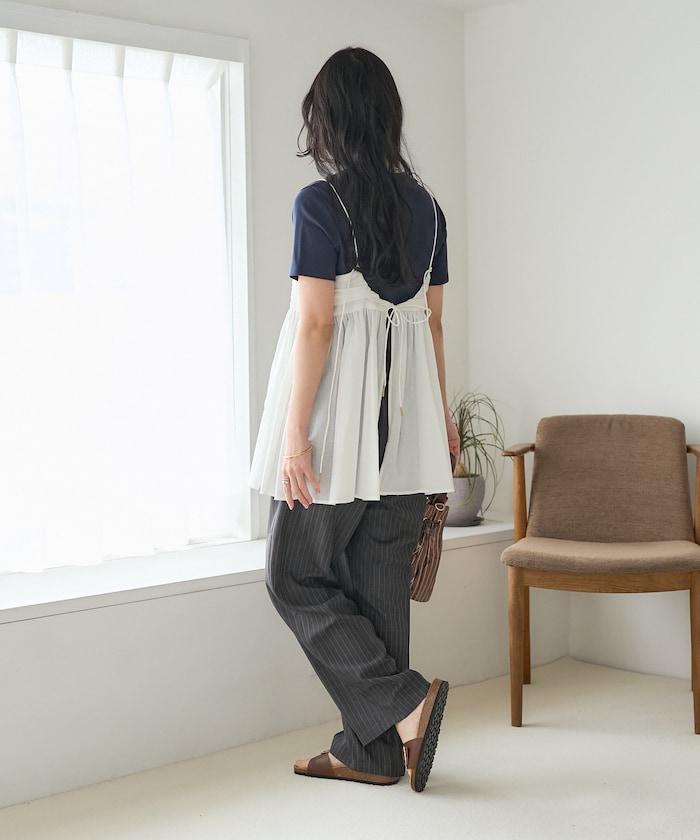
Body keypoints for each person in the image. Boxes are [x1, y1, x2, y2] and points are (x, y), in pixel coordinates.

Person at [248, 46, 460, 792]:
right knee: (378, 585)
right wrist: (441, 422)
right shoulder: (428, 209)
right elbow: (432, 325)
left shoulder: (320, 205)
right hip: (406, 425)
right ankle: (372, 753)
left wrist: (294, 436)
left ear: (331, 119)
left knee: (292, 571)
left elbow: (316, 326)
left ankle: (404, 704)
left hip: (339, 427)